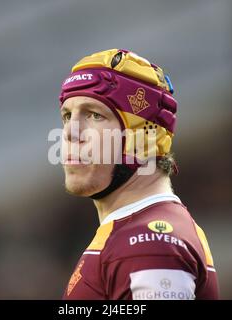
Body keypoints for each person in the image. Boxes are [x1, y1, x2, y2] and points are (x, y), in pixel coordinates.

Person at [58, 49, 219, 300]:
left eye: (94, 115)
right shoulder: (132, 234)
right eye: (67, 116)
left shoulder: (148, 243)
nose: (69, 132)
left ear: (144, 136)